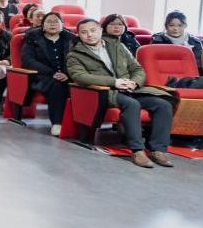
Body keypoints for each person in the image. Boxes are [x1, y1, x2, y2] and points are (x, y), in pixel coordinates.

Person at [67, 18, 174, 168]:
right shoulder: (75, 55)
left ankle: (158, 149)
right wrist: (114, 82)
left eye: (93, 30)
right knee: (132, 104)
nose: (89, 35)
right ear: (79, 35)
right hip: (106, 92)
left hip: (131, 89)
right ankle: (137, 150)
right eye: (84, 32)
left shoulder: (118, 46)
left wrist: (134, 82)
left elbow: (137, 69)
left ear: (100, 31)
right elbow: (80, 76)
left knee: (163, 104)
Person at [21, 12, 77, 135]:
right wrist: (51, 72)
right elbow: (28, 60)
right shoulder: (33, 37)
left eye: (56, 21)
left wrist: (66, 73)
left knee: (79, 87)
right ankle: (57, 123)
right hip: (41, 75)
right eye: (49, 21)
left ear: (62, 25)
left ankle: (79, 124)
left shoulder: (71, 39)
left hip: (66, 75)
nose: (52, 24)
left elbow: (77, 59)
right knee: (57, 85)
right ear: (43, 25)